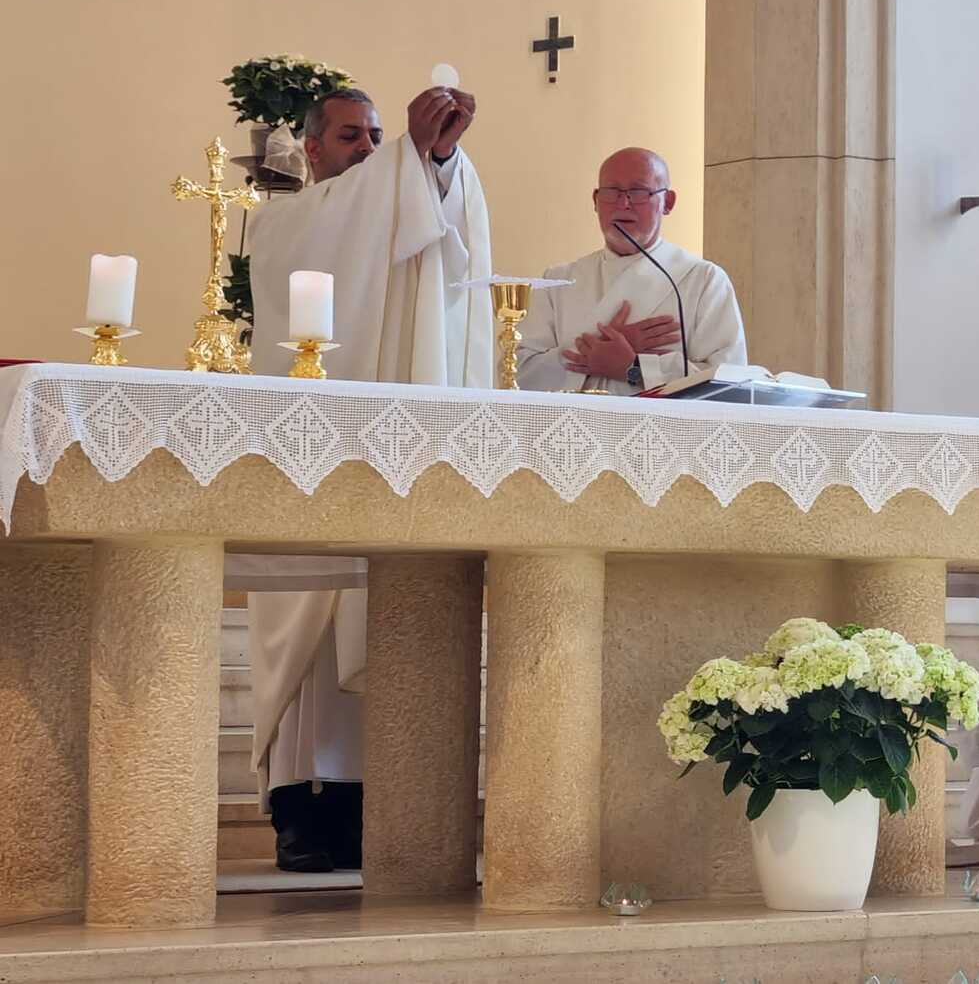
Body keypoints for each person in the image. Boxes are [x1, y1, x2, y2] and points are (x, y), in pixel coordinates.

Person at [238, 85, 492, 872]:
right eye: (352, 136)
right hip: (311, 460)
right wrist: (414, 155)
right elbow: (363, 209)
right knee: (309, 639)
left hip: (387, 456)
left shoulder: (392, 201)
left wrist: (440, 157)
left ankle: (371, 807)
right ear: (312, 148)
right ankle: (300, 808)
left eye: (379, 136)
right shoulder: (286, 222)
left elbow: (438, 233)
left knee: (376, 620)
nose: (370, 150)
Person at [516, 147, 746, 393]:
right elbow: (521, 374)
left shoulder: (703, 280)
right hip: (570, 418)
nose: (623, 203)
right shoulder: (557, 281)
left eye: (638, 192)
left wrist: (633, 368)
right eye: (611, 191)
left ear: (668, 202)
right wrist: (602, 347)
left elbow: (729, 383)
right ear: (595, 200)